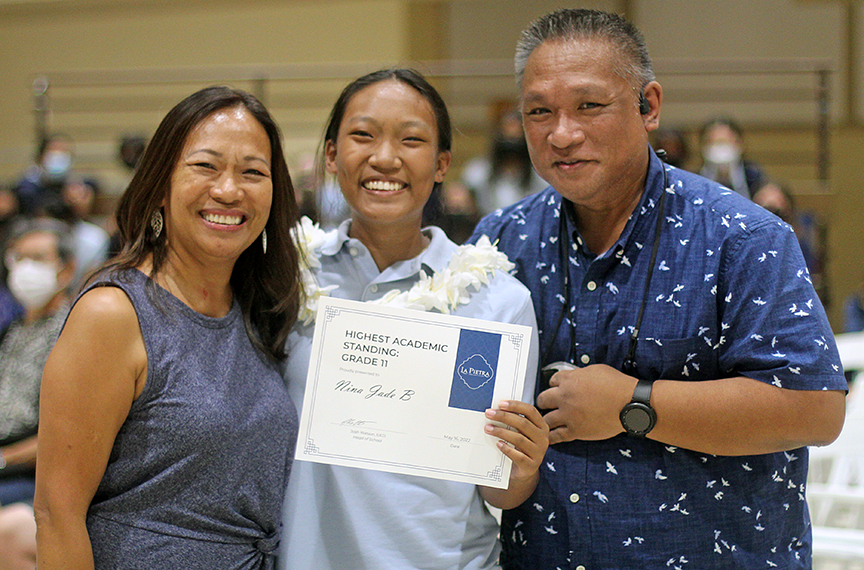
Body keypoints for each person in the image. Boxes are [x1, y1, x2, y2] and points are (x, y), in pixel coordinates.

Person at [468, 8, 846, 569]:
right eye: (538, 112)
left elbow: (814, 407)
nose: (562, 133)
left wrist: (632, 404)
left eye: (589, 105)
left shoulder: (742, 238)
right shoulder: (500, 241)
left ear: (649, 105)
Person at [280, 68, 548, 570]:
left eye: (411, 140)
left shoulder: (497, 301)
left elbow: (501, 488)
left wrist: (524, 464)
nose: (385, 158)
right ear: (333, 155)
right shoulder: (284, 283)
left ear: (442, 163)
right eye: (363, 135)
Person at [33, 86, 303, 569]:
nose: (228, 189)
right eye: (205, 166)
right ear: (160, 184)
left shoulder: (259, 311)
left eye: (253, 172)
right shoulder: (113, 314)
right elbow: (57, 515)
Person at [0, 217, 75, 570]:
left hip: (29, 474)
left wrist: (4, 459)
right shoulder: (12, 330)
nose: (25, 269)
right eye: (19, 259)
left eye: (38, 259)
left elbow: (66, 432)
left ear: (66, 269)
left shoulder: (73, 329)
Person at [462, 107, 548, 216]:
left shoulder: (541, 176)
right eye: (507, 141)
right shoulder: (478, 171)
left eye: (517, 141)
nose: (511, 153)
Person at [698, 116, 765, 199]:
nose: (720, 148)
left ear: (740, 144)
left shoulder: (754, 178)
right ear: (703, 146)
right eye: (714, 142)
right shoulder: (694, 181)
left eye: (725, 142)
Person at [13, 134, 75, 217]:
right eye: (54, 151)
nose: (59, 156)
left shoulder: (75, 183)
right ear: (41, 156)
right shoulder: (26, 185)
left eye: (64, 151)